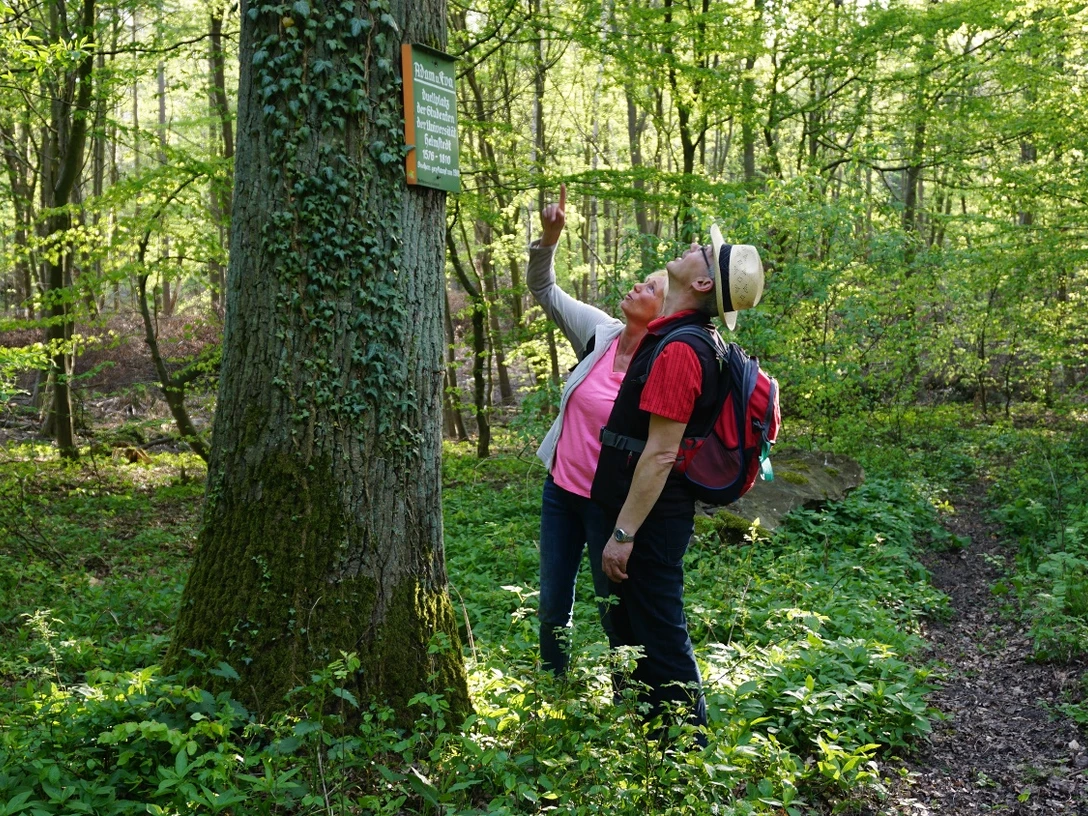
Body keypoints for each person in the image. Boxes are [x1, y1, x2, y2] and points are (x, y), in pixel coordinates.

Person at [592, 224, 765, 736]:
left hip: (648, 518)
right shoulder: (678, 337)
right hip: (636, 510)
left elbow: (661, 454)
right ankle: (645, 741)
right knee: (631, 631)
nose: (694, 245)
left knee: (661, 636)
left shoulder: (682, 351)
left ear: (706, 283)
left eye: (703, 251)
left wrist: (623, 536)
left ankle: (687, 754)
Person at [528, 183, 667, 676]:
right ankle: (554, 688)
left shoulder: (660, 365)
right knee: (551, 605)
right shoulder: (600, 332)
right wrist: (549, 239)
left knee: (613, 611)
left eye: (650, 288)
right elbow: (544, 290)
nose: (637, 287)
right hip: (559, 493)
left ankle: (625, 701)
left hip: (606, 504)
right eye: (641, 282)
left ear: (664, 314)